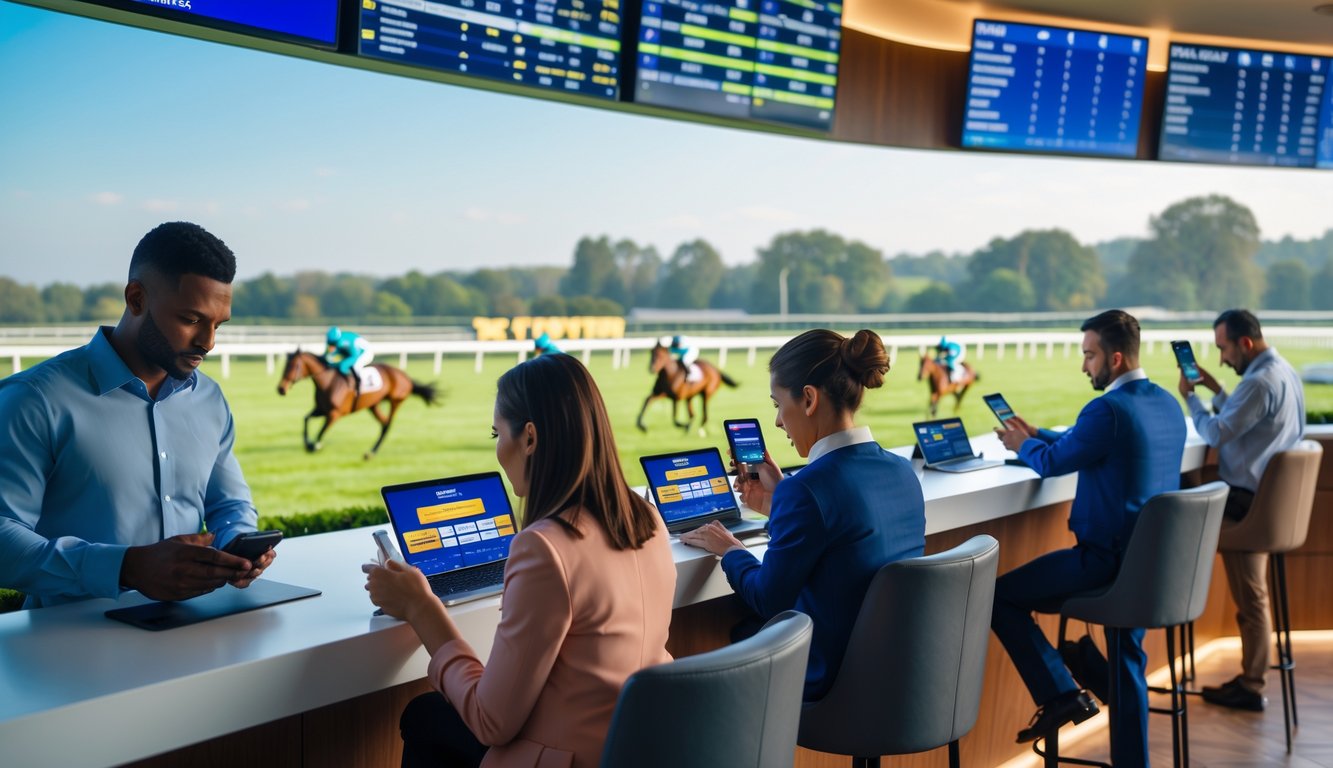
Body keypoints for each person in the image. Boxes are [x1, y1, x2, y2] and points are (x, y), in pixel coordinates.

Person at [364, 353, 675, 768]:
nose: (498, 448)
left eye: (497, 433)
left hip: (572, 757)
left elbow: (490, 722)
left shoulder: (544, 547)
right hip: (636, 747)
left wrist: (420, 606)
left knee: (424, 717)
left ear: (530, 438)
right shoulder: (648, 517)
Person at [0, 221, 272, 609]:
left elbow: (229, 506)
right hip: (68, 638)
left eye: (218, 324)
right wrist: (125, 568)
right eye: (192, 319)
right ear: (137, 298)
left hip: (195, 626)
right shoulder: (34, 399)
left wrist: (238, 547)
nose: (208, 342)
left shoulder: (209, 399)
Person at [680, 328, 925, 700]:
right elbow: (842, 535)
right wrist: (779, 500)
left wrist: (729, 549)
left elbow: (768, 599)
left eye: (778, 404)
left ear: (809, 399)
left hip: (828, 682)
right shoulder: (901, 470)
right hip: (893, 676)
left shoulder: (807, 490)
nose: (779, 422)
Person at [991, 309, 1185, 768]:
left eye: (1089, 355)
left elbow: (1052, 463)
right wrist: (1038, 433)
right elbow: (1091, 443)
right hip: (1149, 567)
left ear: (1114, 359)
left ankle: (1062, 693)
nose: (1084, 366)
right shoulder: (1165, 403)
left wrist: (1022, 445)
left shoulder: (1107, 409)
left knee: (997, 597)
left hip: (1104, 563)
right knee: (1127, 657)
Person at [1177, 309, 1305, 712]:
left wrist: (1191, 397)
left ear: (1245, 343)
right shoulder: (1283, 372)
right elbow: (1246, 418)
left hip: (1248, 505)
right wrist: (1217, 391)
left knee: (1180, 509)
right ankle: (1251, 677)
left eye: (1223, 349)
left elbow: (1217, 432)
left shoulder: (1259, 382)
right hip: (1272, 504)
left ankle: (1251, 683)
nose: (1221, 359)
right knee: (1255, 598)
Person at [325, 325, 374, 392]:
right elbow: (328, 355)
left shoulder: (345, 342)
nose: (331, 346)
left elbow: (354, 356)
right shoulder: (333, 340)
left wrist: (342, 364)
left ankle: (359, 385)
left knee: (353, 366)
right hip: (352, 352)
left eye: (333, 344)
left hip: (365, 353)